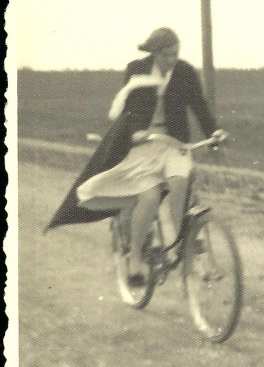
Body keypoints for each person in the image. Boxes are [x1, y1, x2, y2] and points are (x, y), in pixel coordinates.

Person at [46, 27, 228, 286]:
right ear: (154, 53)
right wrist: (136, 132)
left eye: (176, 54)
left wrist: (214, 132)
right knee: (150, 197)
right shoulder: (136, 69)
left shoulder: (185, 72)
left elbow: (199, 105)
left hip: (175, 144)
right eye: (166, 55)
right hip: (145, 146)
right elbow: (129, 109)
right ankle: (135, 259)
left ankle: (179, 245)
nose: (172, 59)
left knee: (179, 182)